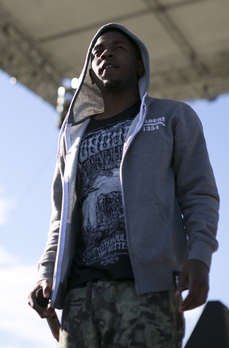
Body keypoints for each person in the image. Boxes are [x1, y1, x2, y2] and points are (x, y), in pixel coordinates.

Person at [28, 23, 219, 348]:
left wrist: (200, 255)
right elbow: (61, 217)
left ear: (140, 64)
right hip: (78, 298)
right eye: (98, 51)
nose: (106, 53)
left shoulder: (173, 116)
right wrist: (46, 272)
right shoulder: (72, 137)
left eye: (118, 48)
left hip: (149, 291)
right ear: (90, 69)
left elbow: (198, 192)